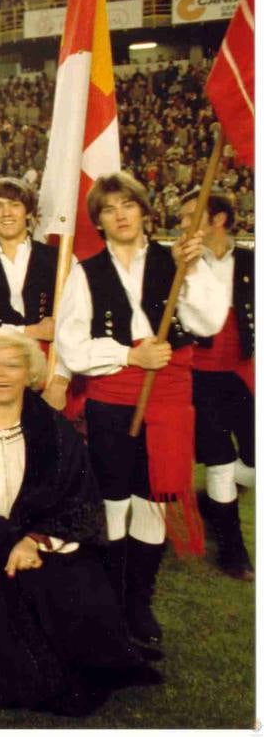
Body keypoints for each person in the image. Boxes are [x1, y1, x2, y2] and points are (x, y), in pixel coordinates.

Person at [0, 333, 161, 715]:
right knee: (11, 670)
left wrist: (33, 540)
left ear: (30, 373)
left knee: (76, 590)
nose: (1, 373)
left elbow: (80, 498)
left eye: (13, 364)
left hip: (40, 542)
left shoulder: (54, 429)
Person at [56, 172, 227, 653]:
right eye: (109, 209)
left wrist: (191, 272)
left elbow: (208, 321)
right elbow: (71, 345)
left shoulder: (178, 259)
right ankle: (111, 601)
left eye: (128, 204)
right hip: (114, 396)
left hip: (169, 396)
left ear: (145, 211)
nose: (120, 215)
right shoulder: (86, 272)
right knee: (114, 499)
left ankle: (139, 603)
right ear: (100, 221)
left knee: (153, 500)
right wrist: (131, 356)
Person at [178, 188, 253, 581]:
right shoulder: (183, 263)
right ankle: (233, 551)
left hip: (245, 372)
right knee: (220, 461)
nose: (184, 224)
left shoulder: (253, 261)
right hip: (199, 376)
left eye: (192, 215)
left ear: (219, 219)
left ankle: (211, 503)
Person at [0, 178, 70, 411]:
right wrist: (32, 331)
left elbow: (75, 328)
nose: (6, 213)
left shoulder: (61, 261)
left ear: (28, 212)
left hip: (51, 373)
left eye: (15, 205)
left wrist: (59, 382)